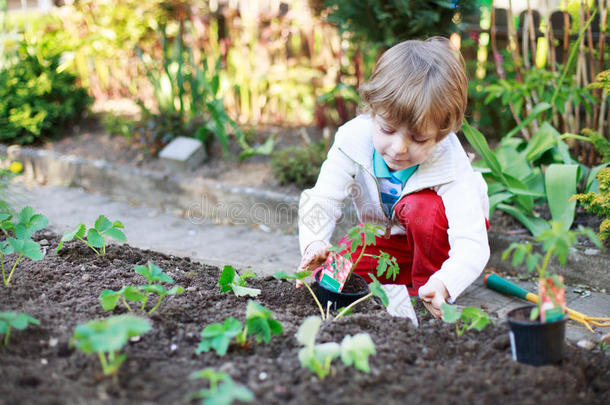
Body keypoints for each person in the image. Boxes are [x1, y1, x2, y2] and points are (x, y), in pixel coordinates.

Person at [297, 37, 490, 319]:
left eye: (419, 138)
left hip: (442, 242)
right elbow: (323, 198)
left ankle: (426, 291)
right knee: (334, 272)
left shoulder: (449, 161)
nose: (399, 148)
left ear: (441, 135)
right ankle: (397, 280)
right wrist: (314, 242)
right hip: (391, 240)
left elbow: (471, 241)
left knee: (420, 207)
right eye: (387, 130)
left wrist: (446, 281)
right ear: (372, 112)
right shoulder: (353, 139)